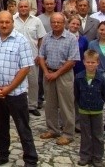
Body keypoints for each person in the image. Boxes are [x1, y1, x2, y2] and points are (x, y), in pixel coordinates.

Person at [0, 11, 37, 167]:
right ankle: (2, 155)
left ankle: (31, 159)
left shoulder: (21, 41)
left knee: (23, 127)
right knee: (1, 127)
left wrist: (8, 88)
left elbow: (25, 68)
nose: (4, 25)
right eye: (1, 22)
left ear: (12, 23)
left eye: (7, 22)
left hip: (16, 94)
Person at [39, 13, 80, 146]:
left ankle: (68, 133)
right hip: (48, 73)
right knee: (50, 104)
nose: (56, 24)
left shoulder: (71, 38)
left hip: (64, 75)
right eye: (53, 22)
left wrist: (56, 74)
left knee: (66, 104)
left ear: (64, 23)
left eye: (59, 22)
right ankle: (53, 129)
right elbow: (41, 56)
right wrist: (46, 72)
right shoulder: (46, 37)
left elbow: (72, 60)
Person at [74, 49, 105, 167]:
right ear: (84, 62)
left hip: (97, 111)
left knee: (98, 135)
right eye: (88, 62)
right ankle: (85, 156)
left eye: (93, 62)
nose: (90, 64)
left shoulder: (102, 79)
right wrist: (81, 104)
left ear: (97, 63)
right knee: (85, 135)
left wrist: (99, 103)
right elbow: (77, 94)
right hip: (83, 110)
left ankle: (97, 158)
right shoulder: (78, 78)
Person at [13, 0, 46, 116]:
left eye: (25, 6)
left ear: (30, 7)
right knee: (16, 81)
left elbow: (42, 38)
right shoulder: (12, 20)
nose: (23, 8)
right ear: (18, 7)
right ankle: (16, 105)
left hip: (32, 57)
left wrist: (39, 54)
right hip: (15, 57)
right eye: (21, 6)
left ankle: (32, 105)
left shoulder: (37, 21)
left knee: (33, 82)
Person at [87, 21, 105, 141]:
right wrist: (99, 73)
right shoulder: (92, 44)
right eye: (101, 30)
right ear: (98, 30)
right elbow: (90, 59)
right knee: (95, 103)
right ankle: (95, 127)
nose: (103, 32)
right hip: (96, 77)